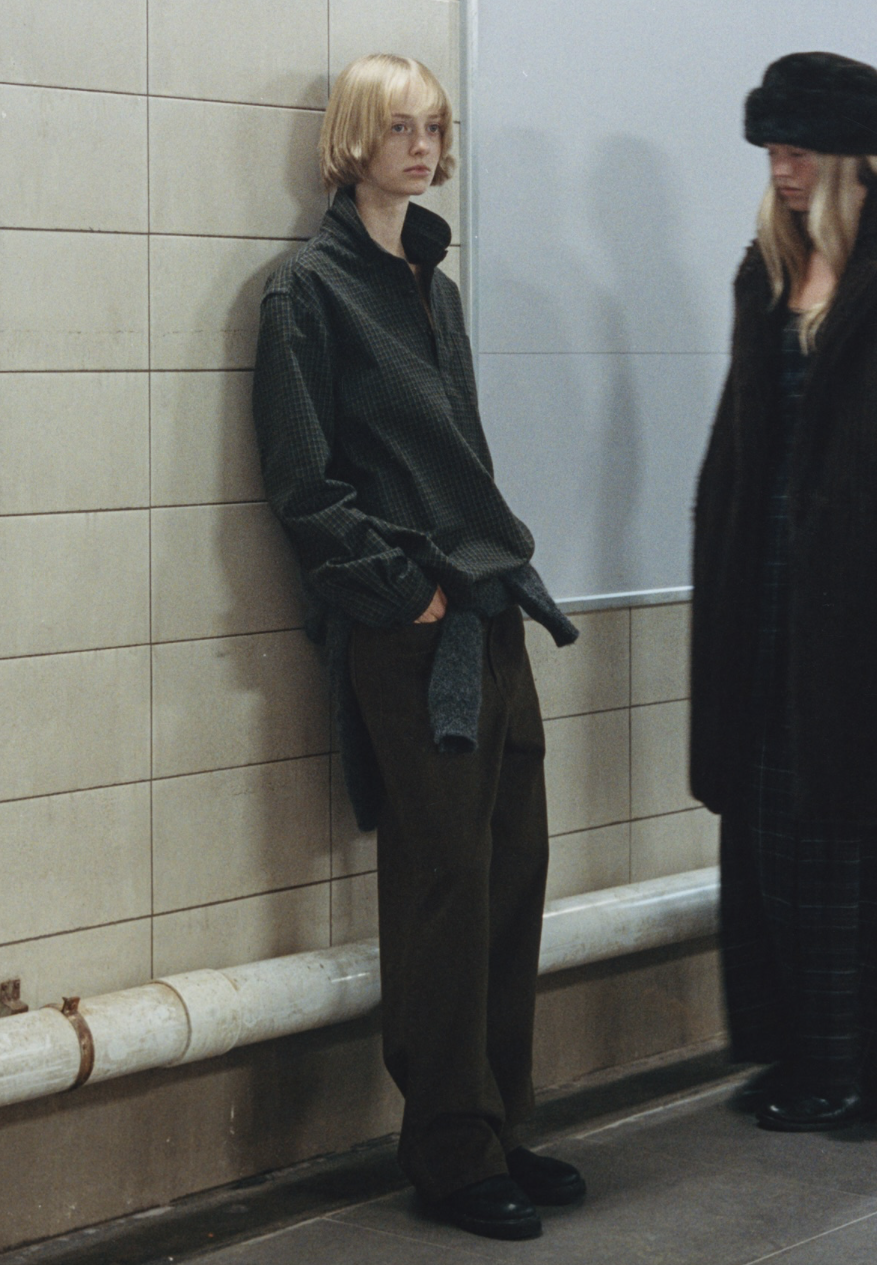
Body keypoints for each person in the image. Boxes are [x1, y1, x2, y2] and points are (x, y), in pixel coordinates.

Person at [252, 53, 585, 1238]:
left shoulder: (432, 285)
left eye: (434, 126)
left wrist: (472, 590)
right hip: (413, 626)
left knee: (510, 870)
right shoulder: (307, 292)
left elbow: (462, 461)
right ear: (353, 138)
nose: (423, 146)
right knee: (443, 882)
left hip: (487, 611)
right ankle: (450, 1151)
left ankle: (499, 1120)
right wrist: (402, 593)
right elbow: (304, 481)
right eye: (400, 126)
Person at [690, 51, 877, 1133]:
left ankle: (846, 1068)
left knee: (840, 835)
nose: (780, 168)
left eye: (798, 149)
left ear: (852, 156)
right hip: (765, 586)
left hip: (852, 596)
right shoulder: (766, 270)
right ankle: (799, 1048)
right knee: (765, 822)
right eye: (770, 149)